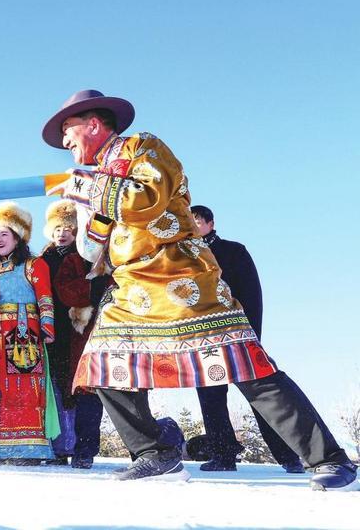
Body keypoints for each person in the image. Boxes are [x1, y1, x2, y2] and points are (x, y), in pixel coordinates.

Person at [43, 89, 357, 490]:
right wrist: (82, 203)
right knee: (100, 364)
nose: (64, 141)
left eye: (67, 129)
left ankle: (330, 459)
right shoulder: (94, 177)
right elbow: (91, 249)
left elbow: (147, 200)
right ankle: (155, 454)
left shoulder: (144, 147)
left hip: (181, 275)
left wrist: (93, 187)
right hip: (132, 286)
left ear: (92, 124)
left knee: (243, 365)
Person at [190, 204, 303, 473]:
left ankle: (289, 456)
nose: (193, 227)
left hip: (239, 335)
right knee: (210, 394)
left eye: (198, 221)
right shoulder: (185, 256)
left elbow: (252, 294)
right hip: (204, 338)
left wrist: (252, 333)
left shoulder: (233, 251)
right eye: (189, 222)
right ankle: (223, 456)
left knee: (259, 394)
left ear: (210, 224)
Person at [0, 202, 58, 464]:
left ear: (18, 237)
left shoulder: (34, 265)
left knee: (24, 389)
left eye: (4, 234)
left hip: (23, 334)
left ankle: (28, 448)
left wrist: (47, 327)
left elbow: (44, 297)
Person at [40, 199, 106, 469]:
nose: (62, 233)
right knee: (56, 388)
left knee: (86, 389)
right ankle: (57, 444)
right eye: (57, 229)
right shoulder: (42, 259)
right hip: (52, 330)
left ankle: (84, 448)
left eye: (68, 228)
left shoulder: (92, 257)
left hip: (82, 330)